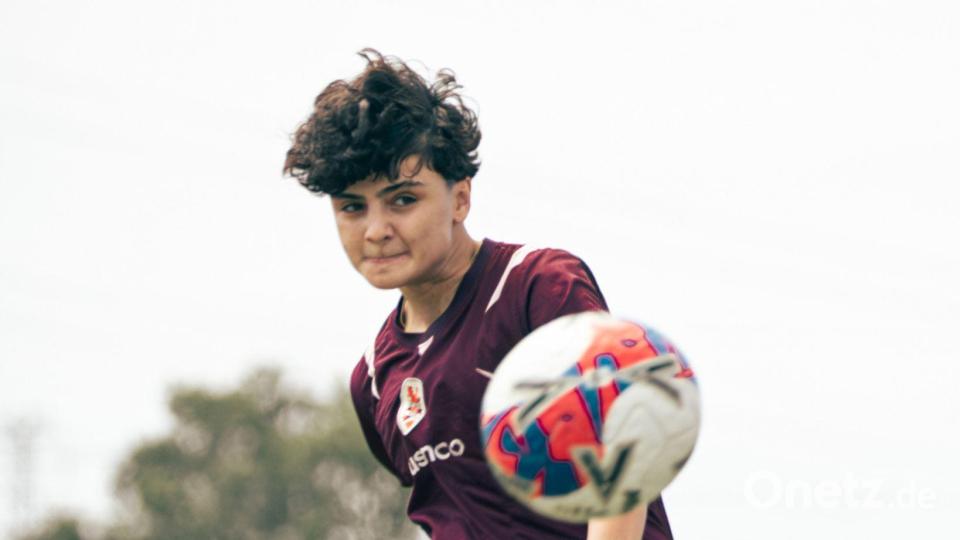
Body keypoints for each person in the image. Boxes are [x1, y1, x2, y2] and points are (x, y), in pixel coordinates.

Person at [284, 49, 673, 539]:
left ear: (460, 198)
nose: (376, 229)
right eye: (352, 207)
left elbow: (623, 456)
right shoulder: (375, 381)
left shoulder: (537, 286)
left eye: (403, 199)